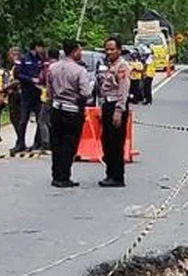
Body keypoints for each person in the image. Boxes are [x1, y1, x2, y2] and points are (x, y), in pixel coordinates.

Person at [43, 41, 93, 188]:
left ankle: (56, 175)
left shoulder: (53, 68)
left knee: (56, 143)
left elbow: (49, 88)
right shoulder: (79, 71)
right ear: (75, 52)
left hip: (56, 109)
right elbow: (86, 93)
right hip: (72, 110)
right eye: (80, 51)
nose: (81, 53)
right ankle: (64, 176)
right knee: (69, 144)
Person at [97, 36, 132, 188]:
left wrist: (119, 110)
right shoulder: (109, 65)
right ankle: (110, 173)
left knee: (115, 143)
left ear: (119, 49)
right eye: (107, 49)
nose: (109, 52)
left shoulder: (122, 67)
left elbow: (123, 90)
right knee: (107, 141)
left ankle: (117, 176)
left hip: (115, 106)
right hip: (107, 105)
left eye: (112, 49)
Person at [8, 46, 38, 153]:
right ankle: (20, 142)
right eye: (12, 54)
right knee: (18, 120)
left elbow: (19, 79)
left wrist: (7, 87)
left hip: (25, 94)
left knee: (24, 118)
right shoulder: (13, 66)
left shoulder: (23, 63)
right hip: (16, 95)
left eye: (17, 54)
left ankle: (36, 142)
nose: (15, 56)